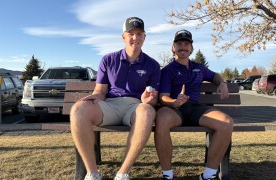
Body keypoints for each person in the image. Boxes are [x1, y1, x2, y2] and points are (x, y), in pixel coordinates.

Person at [70, 17, 161, 180]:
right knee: (78, 110)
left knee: (147, 111)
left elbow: (152, 99)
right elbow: (101, 91)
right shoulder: (108, 60)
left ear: (144, 37)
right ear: (123, 37)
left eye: (139, 34)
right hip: (109, 105)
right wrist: (94, 96)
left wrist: (149, 100)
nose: (135, 38)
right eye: (131, 33)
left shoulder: (152, 65)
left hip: (135, 107)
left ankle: (122, 174)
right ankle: (93, 173)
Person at [154, 29, 233, 180]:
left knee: (226, 122)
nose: (183, 46)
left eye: (186, 43)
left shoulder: (199, 67)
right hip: (174, 109)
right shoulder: (167, 70)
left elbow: (214, 75)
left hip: (195, 109)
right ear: (173, 47)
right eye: (179, 43)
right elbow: (163, 97)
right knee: (161, 119)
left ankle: (208, 175)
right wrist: (175, 101)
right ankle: (167, 175)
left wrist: (222, 83)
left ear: (191, 48)